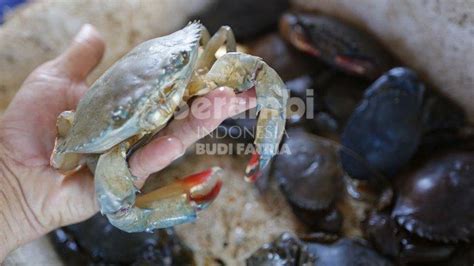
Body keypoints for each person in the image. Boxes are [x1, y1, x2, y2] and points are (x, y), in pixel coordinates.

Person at [0, 24, 255, 260]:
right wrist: (13, 190)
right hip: (113, 138)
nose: (159, 105)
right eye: (121, 114)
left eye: (177, 62)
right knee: (121, 212)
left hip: (179, 75)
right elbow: (123, 214)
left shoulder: (191, 58)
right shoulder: (102, 154)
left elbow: (223, 35)